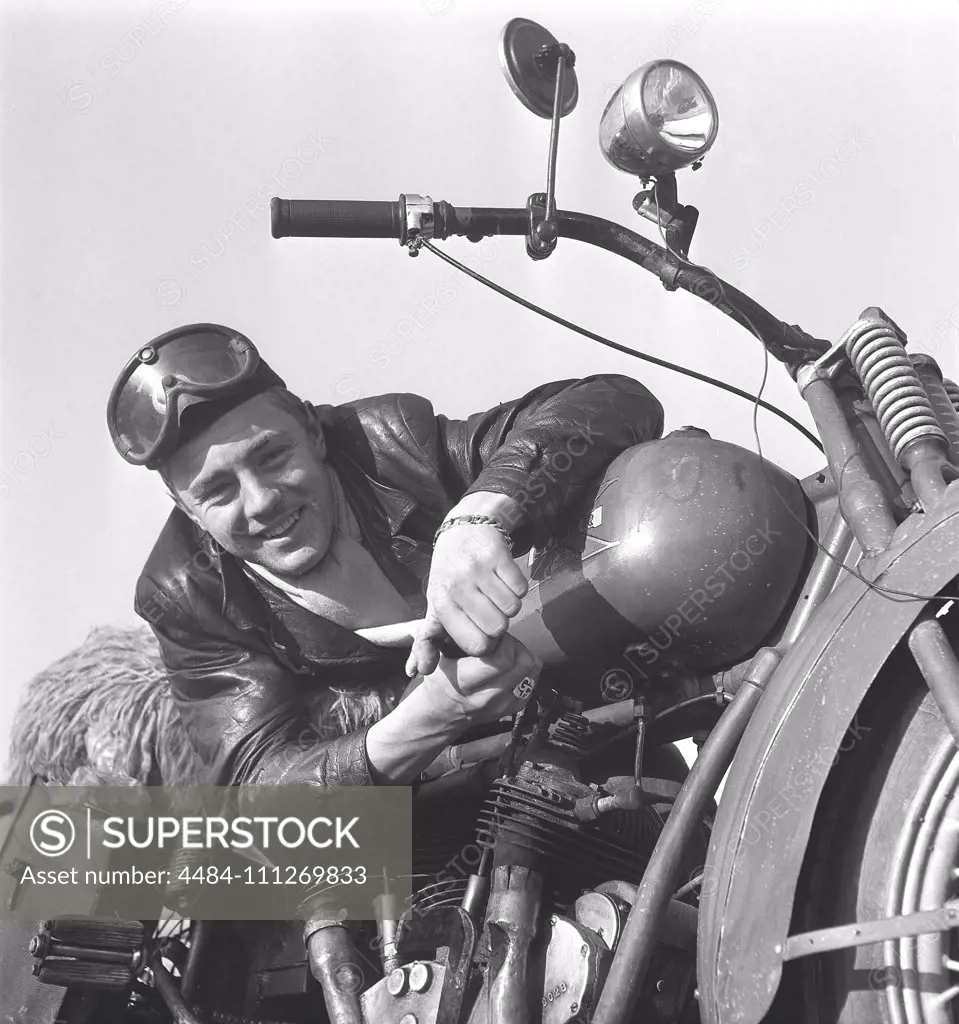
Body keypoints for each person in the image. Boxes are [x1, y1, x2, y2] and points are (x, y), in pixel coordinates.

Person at [107, 323, 664, 789]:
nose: (263, 501)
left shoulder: (392, 442)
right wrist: (433, 715)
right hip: (415, 844)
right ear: (184, 505)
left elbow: (618, 400)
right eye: (217, 491)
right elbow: (259, 785)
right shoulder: (184, 595)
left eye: (273, 456)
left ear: (312, 432)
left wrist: (481, 515)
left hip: (599, 746)